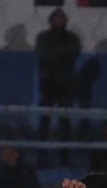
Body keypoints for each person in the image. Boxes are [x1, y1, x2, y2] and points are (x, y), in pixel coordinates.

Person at [35, 9, 81, 167]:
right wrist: (61, 54)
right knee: (44, 122)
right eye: (57, 18)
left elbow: (73, 53)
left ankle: (64, 156)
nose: (59, 21)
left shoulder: (72, 38)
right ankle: (41, 155)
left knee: (65, 124)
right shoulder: (43, 37)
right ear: (51, 20)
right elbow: (43, 54)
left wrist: (55, 53)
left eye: (62, 18)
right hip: (48, 84)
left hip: (66, 86)